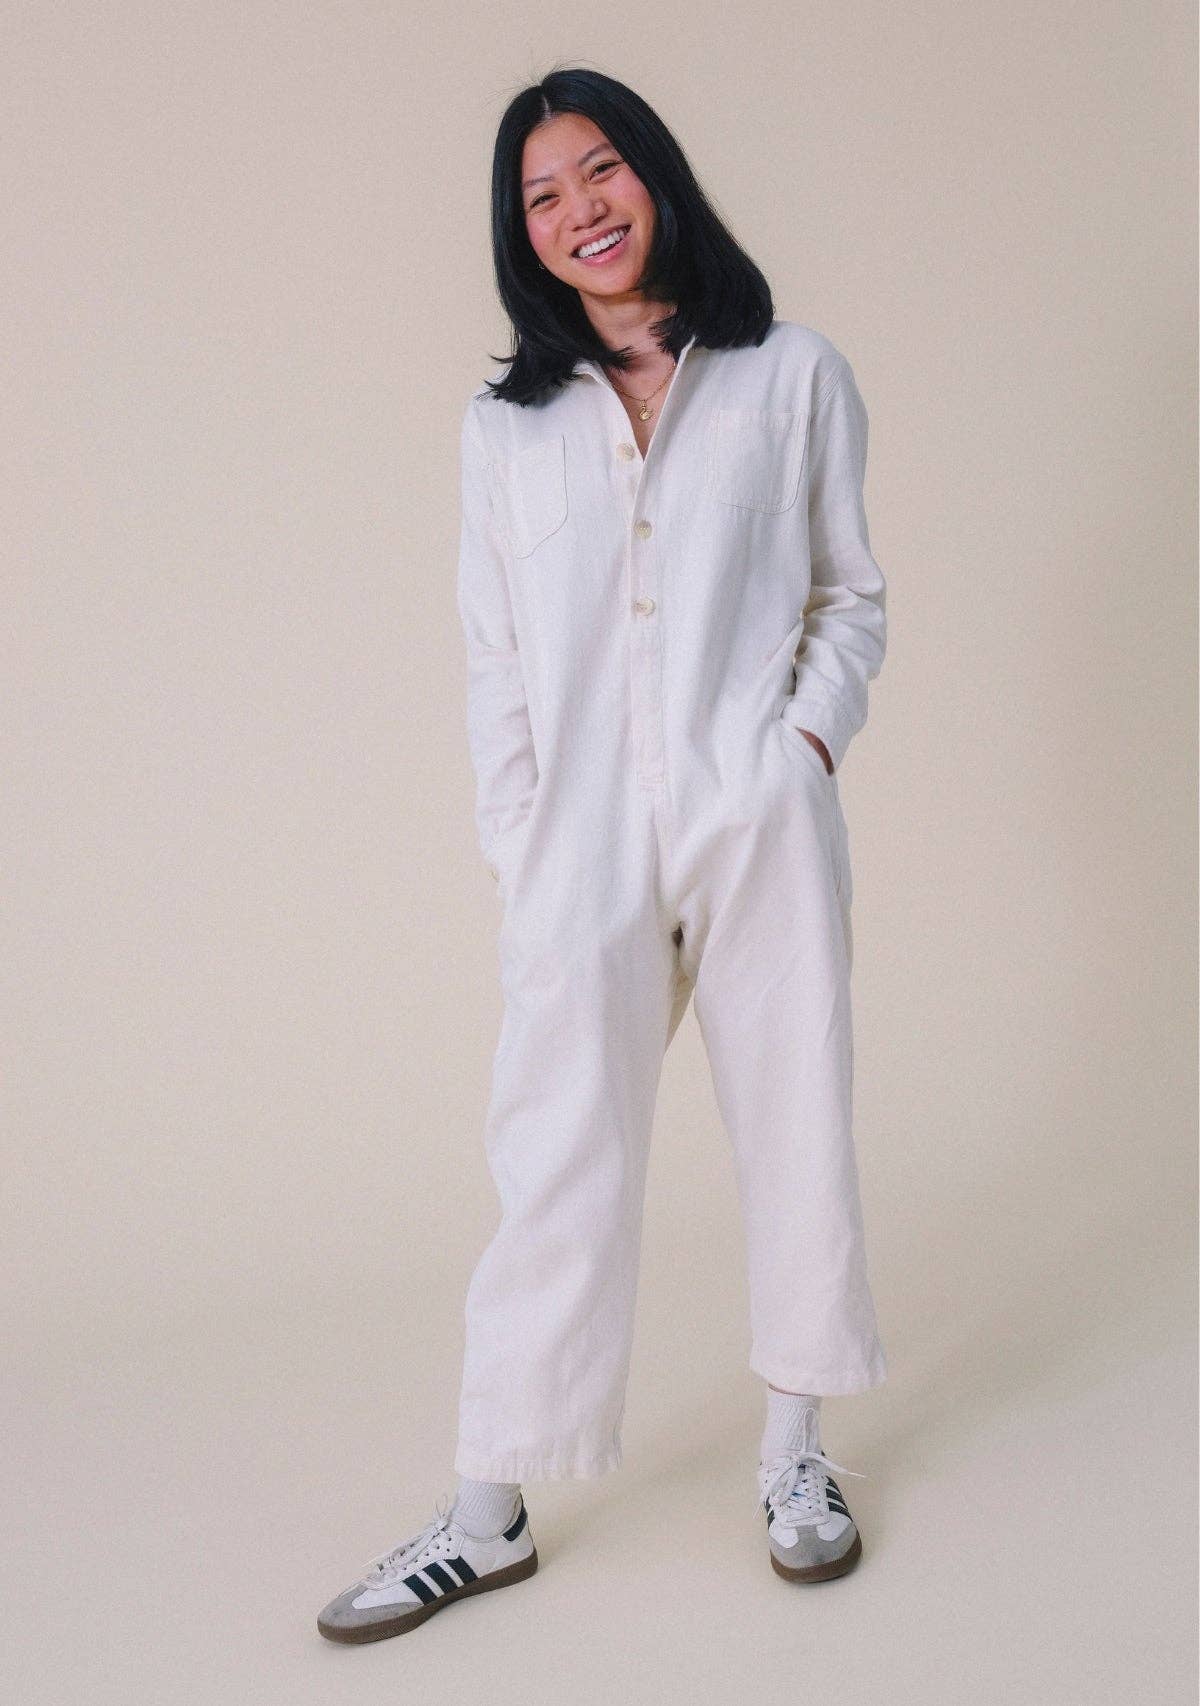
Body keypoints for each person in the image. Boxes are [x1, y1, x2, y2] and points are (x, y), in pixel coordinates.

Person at [317, 65, 888, 1644]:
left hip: (753, 818)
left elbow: (849, 596)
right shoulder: (504, 430)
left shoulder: (791, 375)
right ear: (523, 232)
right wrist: (525, 844)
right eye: (542, 194)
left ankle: (795, 1455)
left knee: (797, 1124)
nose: (580, 209)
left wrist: (797, 755)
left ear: (657, 176)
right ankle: (486, 1509)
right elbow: (493, 659)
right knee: (554, 1157)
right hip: (578, 847)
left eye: (602, 170)